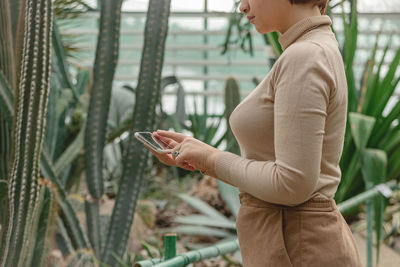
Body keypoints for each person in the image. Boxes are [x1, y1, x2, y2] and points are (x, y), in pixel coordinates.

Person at [145, 0, 362, 266]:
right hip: (296, 241)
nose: (243, 6)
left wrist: (211, 160)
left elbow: (291, 183)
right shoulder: (314, 48)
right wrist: (204, 153)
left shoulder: (304, 56)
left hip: (295, 244)